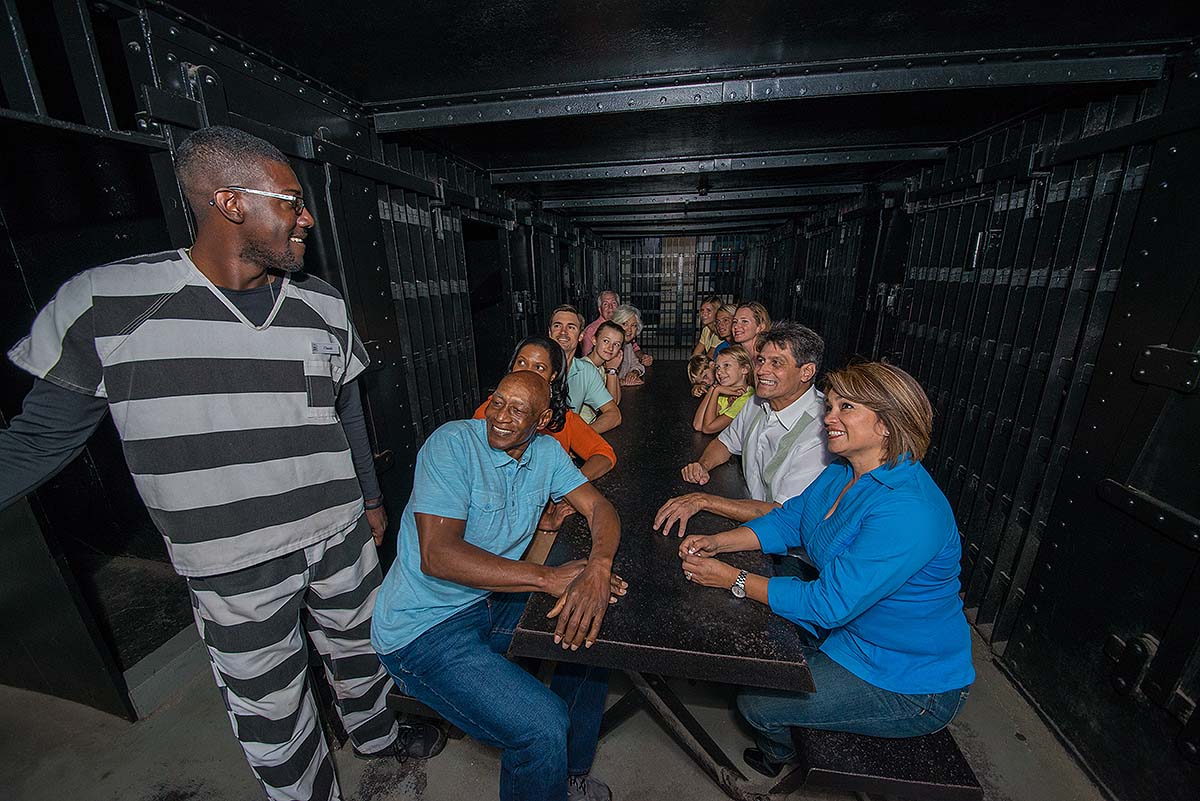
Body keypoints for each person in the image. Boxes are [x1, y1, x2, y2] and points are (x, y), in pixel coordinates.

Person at [0, 126, 438, 801]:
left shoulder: (321, 302)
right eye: (292, 201)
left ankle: (378, 735)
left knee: (364, 649)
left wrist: (371, 501)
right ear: (230, 202)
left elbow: (346, 408)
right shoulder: (106, 301)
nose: (307, 216)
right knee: (272, 703)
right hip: (233, 560)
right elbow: (35, 440)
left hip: (339, 529)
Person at [676, 362, 975, 777]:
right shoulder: (843, 471)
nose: (828, 417)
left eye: (845, 407)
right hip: (846, 636)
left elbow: (830, 603)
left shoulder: (908, 510)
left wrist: (735, 579)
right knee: (744, 640)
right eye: (830, 405)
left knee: (757, 703)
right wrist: (720, 543)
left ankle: (785, 756)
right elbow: (792, 519)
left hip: (905, 678)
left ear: (887, 425)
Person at [371, 371, 626, 801]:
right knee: (541, 726)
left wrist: (599, 567)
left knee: (592, 625)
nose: (501, 417)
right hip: (423, 629)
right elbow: (438, 555)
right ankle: (547, 764)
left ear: (543, 419)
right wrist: (547, 578)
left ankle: (568, 776)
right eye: (497, 402)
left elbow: (599, 507)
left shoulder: (546, 453)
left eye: (517, 409)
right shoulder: (453, 444)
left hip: (488, 601)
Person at [654, 321, 832, 539]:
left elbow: (783, 513)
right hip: (750, 519)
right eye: (761, 360)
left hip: (787, 552)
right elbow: (725, 442)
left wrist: (703, 501)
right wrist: (703, 465)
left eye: (776, 363)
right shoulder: (758, 401)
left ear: (806, 372)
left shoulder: (822, 430)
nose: (762, 370)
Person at [474, 336, 617, 555]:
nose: (528, 371)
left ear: (553, 376)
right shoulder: (489, 416)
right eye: (521, 362)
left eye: (539, 367)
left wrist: (567, 484)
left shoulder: (560, 424)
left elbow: (604, 454)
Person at [549, 305, 621, 433]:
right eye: (557, 326)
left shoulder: (586, 371)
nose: (563, 332)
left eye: (571, 327)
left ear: (581, 336)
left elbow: (614, 415)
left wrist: (580, 438)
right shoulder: (536, 367)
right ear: (550, 333)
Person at [692, 345, 754, 435]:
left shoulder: (747, 398)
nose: (719, 372)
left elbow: (708, 428)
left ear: (744, 369)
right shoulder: (724, 393)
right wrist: (713, 389)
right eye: (717, 367)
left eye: (726, 365)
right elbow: (698, 425)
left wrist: (716, 390)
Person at [582, 320, 626, 406]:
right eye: (606, 341)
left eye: (616, 344)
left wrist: (614, 369)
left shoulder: (601, 367)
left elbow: (616, 401)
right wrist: (611, 371)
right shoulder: (584, 368)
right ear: (594, 340)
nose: (610, 348)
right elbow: (612, 407)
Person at [610, 304, 650, 386]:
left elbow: (637, 364)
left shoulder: (628, 346)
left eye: (633, 326)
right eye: (624, 324)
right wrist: (621, 382)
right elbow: (597, 379)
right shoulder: (607, 347)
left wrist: (634, 373)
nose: (629, 329)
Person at [580, 289, 620, 356]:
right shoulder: (591, 331)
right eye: (605, 304)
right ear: (600, 310)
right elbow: (586, 359)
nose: (610, 307)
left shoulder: (622, 324)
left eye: (614, 303)